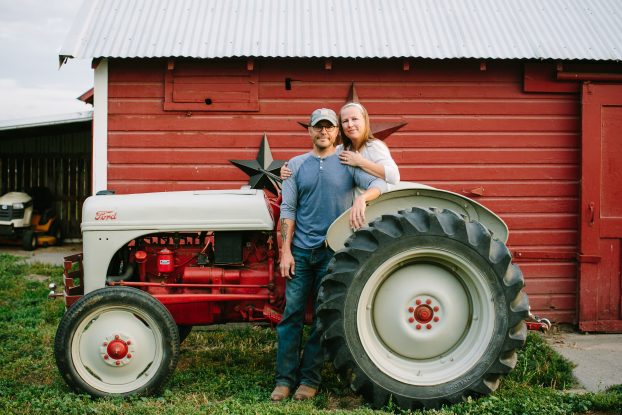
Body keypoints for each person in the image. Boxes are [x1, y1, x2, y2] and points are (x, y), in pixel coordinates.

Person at [271, 108, 387, 402]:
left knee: (323, 317)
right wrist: (285, 251)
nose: (323, 132)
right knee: (292, 315)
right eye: (317, 127)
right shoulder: (295, 166)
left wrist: (362, 197)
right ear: (309, 131)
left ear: (336, 132)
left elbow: (379, 184)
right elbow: (288, 210)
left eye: (329, 127)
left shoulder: (347, 161)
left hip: (333, 253)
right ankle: (284, 380)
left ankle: (309, 379)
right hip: (299, 251)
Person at [281, 102, 400, 188]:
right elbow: (323, 158)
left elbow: (394, 177)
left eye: (355, 119)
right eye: (345, 121)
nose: (350, 124)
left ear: (365, 121)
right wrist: (289, 169)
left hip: (375, 208)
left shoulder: (374, 146)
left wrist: (360, 162)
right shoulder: (342, 149)